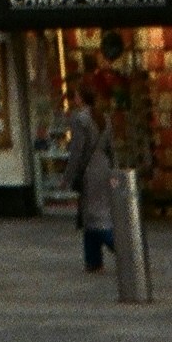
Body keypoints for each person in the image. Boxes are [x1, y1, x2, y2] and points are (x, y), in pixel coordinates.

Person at [63, 88, 119, 272]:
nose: (74, 98)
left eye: (77, 95)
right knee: (96, 212)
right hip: (104, 167)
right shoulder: (104, 118)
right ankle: (93, 259)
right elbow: (111, 147)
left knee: (95, 215)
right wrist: (114, 171)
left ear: (82, 98)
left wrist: (68, 176)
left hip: (89, 170)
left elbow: (77, 151)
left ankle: (119, 247)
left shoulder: (80, 120)